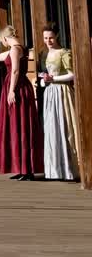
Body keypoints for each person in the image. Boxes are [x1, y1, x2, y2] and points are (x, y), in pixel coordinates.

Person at [0, 24, 44, 179]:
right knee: (16, 126)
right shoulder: (13, 50)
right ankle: (21, 168)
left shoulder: (16, 49)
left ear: (4, 38)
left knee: (21, 125)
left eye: (2, 40)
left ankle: (26, 170)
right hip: (15, 87)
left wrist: (11, 90)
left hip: (18, 89)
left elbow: (16, 70)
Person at [40, 23, 79, 181]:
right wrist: (44, 81)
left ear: (56, 36)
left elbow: (72, 74)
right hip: (50, 94)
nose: (48, 41)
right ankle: (54, 170)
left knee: (65, 127)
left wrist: (53, 78)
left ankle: (69, 169)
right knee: (51, 129)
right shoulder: (45, 54)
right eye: (45, 38)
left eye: (50, 37)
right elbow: (46, 75)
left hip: (62, 93)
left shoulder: (64, 52)